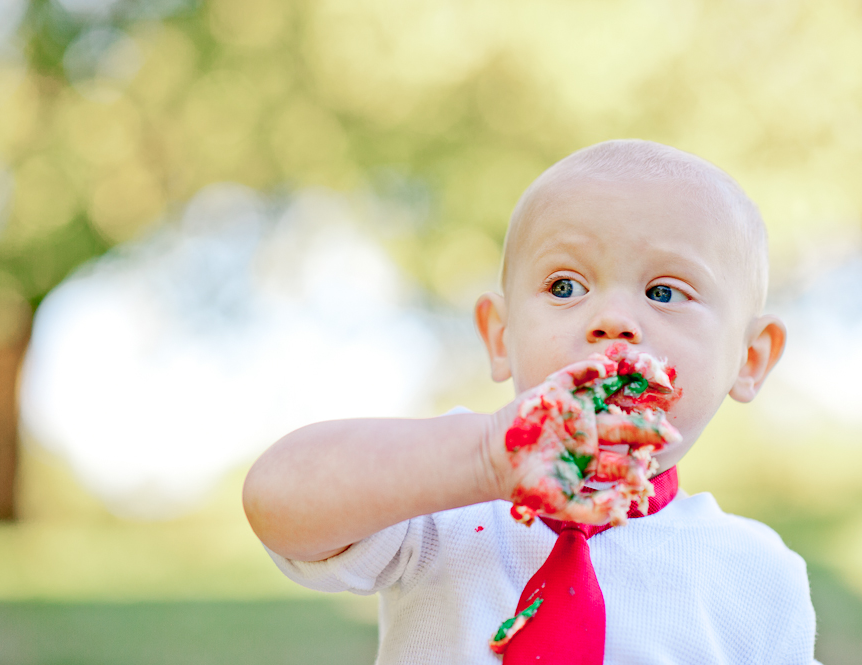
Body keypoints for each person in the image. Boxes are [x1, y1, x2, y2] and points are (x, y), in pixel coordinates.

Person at [242, 139, 818, 664]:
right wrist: (486, 458)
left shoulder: (761, 579)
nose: (613, 320)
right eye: (565, 286)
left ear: (749, 358)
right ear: (501, 336)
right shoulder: (441, 502)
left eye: (664, 292)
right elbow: (276, 500)